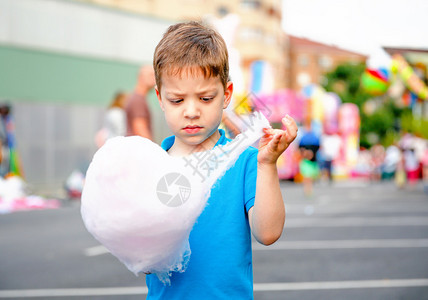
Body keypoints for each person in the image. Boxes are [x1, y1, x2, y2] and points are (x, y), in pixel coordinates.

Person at [146, 21, 298, 299]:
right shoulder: (150, 165)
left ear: (226, 95)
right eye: (177, 100)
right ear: (160, 98)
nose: (191, 111)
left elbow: (268, 233)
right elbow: (143, 257)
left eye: (205, 98)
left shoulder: (246, 161)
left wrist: (268, 165)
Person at [125, 65, 156, 139]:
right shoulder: (138, 100)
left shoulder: (137, 98)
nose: (155, 79)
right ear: (141, 77)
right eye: (151, 75)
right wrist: (154, 149)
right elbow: (140, 130)